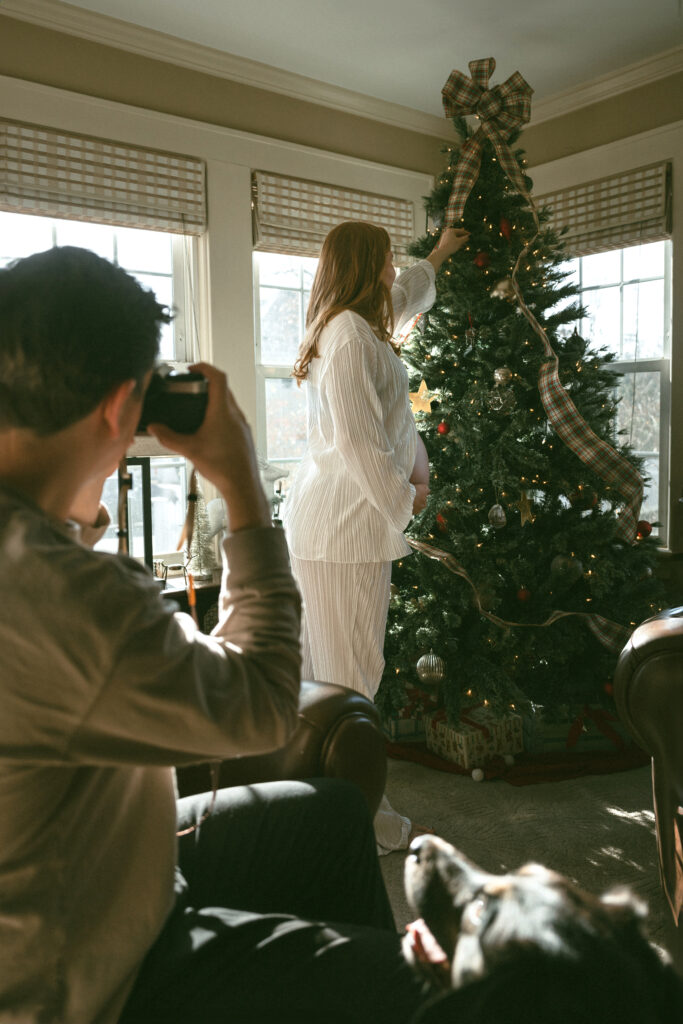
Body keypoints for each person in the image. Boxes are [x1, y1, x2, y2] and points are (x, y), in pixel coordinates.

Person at [0, 246, 428, 1023]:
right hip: (86, 969)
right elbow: (264, 707)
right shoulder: (72, 593)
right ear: (120, 407)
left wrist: (77, 492)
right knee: (426, 987)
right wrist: (239, 483)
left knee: (332, 814)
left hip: (72, 863)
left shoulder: (36, 552)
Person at [283, 221, 469, 853]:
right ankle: (361, 821)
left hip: (335, 526)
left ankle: (329, 806)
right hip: (347, 527)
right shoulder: (348, 337)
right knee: (350, 678)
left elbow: (408, 292)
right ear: (364, 268)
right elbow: (360, 440)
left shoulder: (351, 324)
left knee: (334, 673)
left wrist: (439, 255)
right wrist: (406, 501)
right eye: (388, 262)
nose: (396, 271)